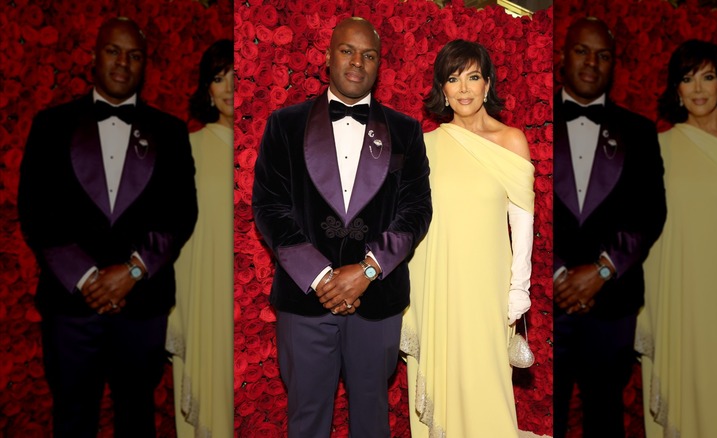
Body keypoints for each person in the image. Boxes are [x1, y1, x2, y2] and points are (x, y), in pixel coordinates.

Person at [17, 17, 197, 437]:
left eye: (134, 55)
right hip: (70, 308)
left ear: (144, 65)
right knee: (72, 418)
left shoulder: (170, 132)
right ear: (94, 58)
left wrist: (133, 271)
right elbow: (35, 210)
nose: (123, 62)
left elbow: (180, 212)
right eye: (114, 51)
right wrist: (87, 278)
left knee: (136, 419)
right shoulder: (50, 125)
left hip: (143, 307)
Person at [252, 17, 432, 438]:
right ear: (328, 57)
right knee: (307, 419)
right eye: (348, 50)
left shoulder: (406, 131)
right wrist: (321, 277)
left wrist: (368, 270)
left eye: (369, 55)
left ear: (379, 65)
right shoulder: (284, 124)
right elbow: (270, 206)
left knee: (371, 420)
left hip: (378, 301)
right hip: (304, 300)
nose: (357, 61)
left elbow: (416, 210)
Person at [399, 39, 536, 437]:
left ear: (488, 84)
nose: (463, 88)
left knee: (486, 384)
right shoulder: (425, 146)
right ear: (442, 89)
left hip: (487, 291)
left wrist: (519, 288)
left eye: (472, 77)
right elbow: (411, 221)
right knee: (441, 380)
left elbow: (522, 222)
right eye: (453, 78)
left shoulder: (511, 141)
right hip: (434, 286)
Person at [636, 40, 717, 438]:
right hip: (669, 288)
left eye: (707, 77)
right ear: (676, 89)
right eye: (687, 78)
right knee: (678, 381)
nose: (697, 88)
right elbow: (648, 225)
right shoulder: (660, 146)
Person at [552, 17, 666, 438]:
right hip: (548, 301)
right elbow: (520, 209)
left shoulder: (639, 131)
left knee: (605, 419)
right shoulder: (534, 122)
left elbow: (650, 212)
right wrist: (559, 273)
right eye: (582, 50)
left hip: (613, 304)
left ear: (613, 64)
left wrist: (602, 270)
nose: (591, 62)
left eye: (603, 55)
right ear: (563, 56)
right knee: (550, 418)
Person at [166, 39, 233, 438]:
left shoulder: (267, 146)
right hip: (204, 294)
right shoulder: (187, 149)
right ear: (207, 89)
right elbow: (175, 233)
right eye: (218, 78)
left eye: (236, 77)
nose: (228, 87)